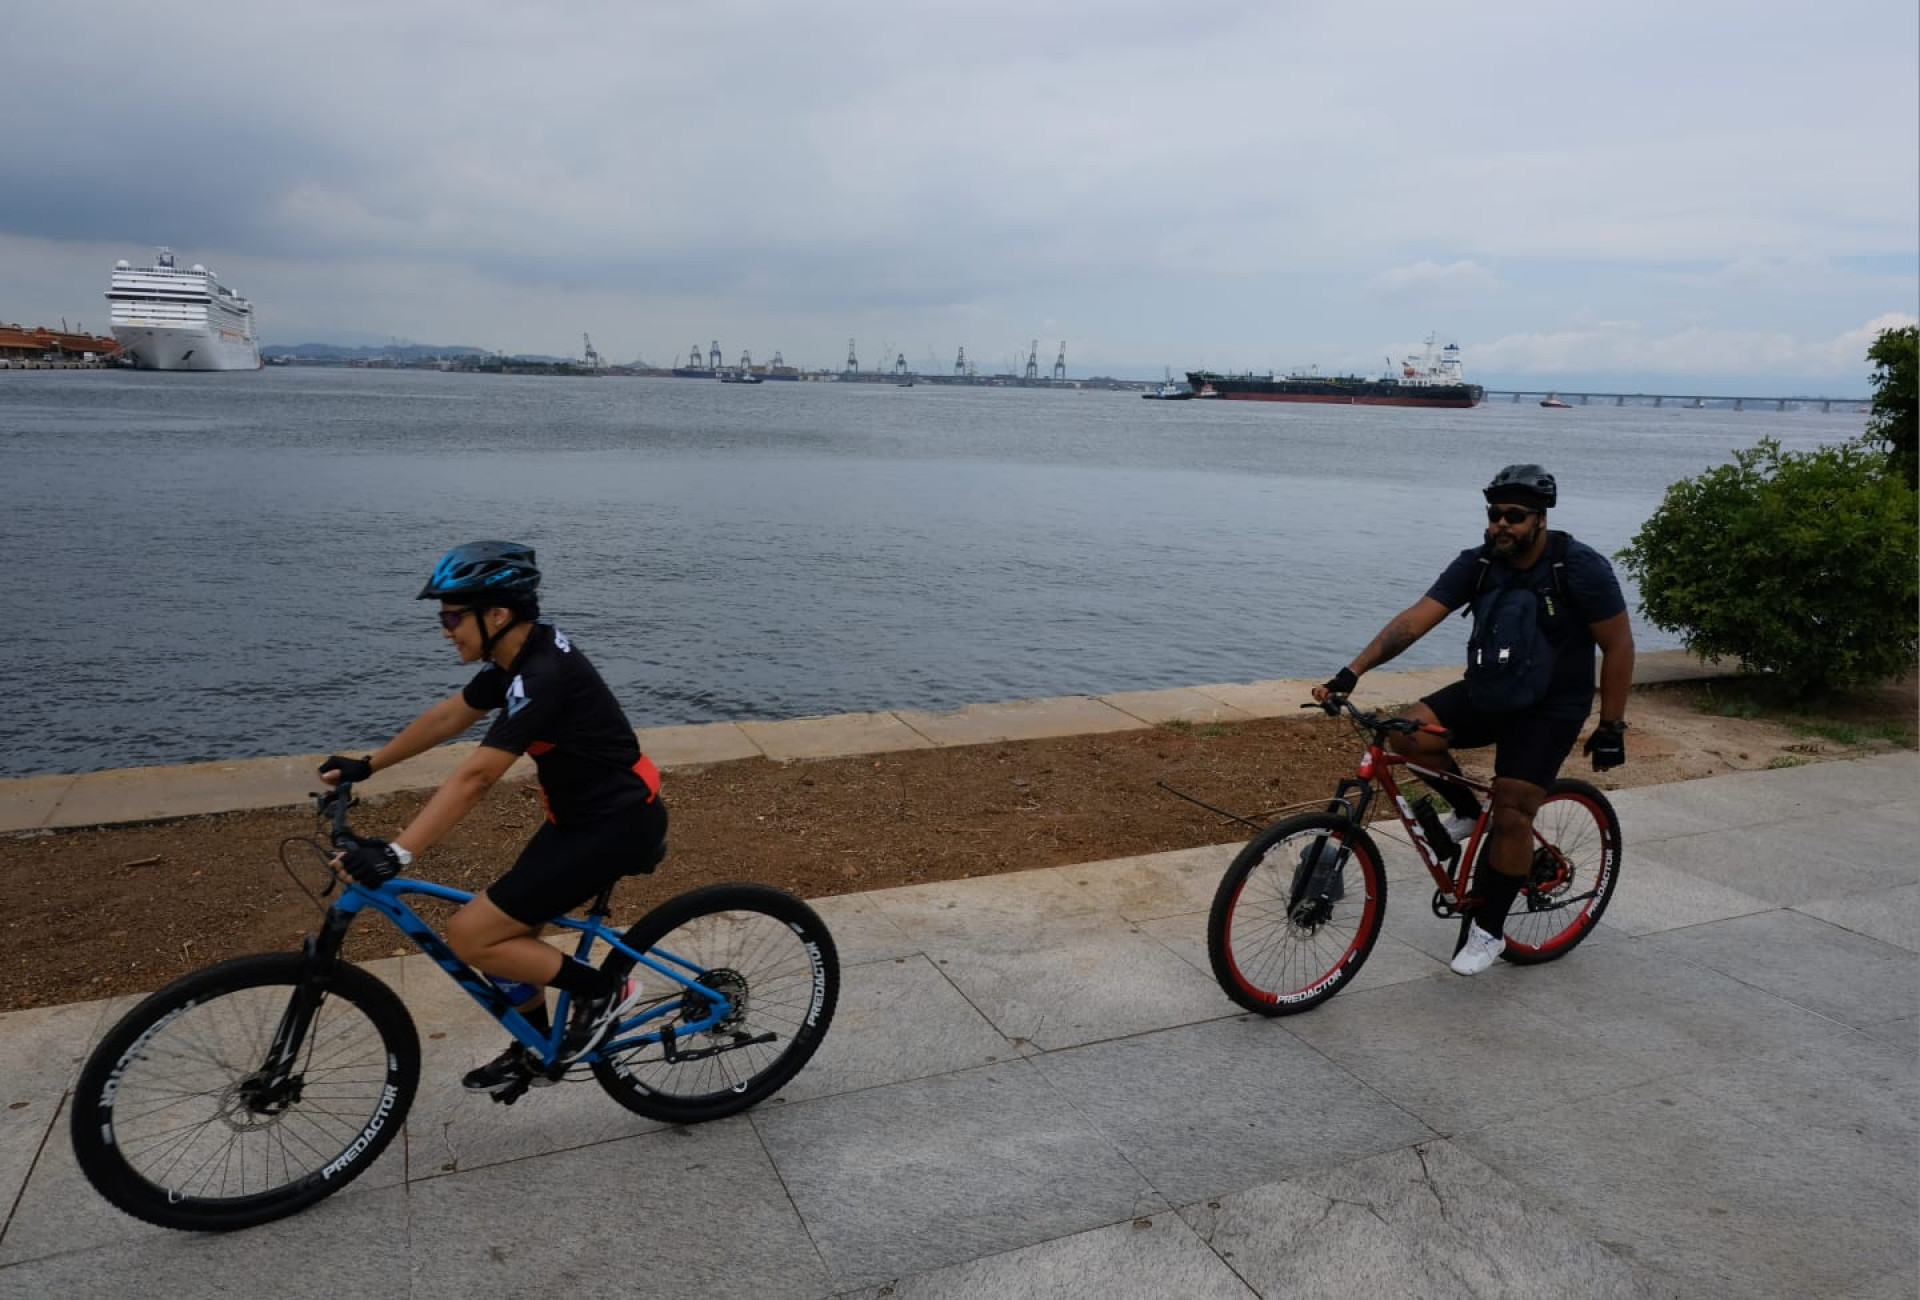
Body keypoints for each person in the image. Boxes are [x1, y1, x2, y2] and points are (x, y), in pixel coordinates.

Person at [319, 540, 667, 1093]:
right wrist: (367, 765)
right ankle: (535, 1047)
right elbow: (448, 717)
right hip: (580, 821)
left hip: (617, 825)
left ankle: (601, 990)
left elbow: (477, 777)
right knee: (508, 934)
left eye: (453, 616)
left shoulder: (543, 674)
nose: (445, 629)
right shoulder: (517, 656)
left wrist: (397, 853)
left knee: (472, 934)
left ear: (497, 614)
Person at [1311, 465, 1634, 976]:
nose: (1500, 524)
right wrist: (1351, 672)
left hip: (1551, 706)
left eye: (1514, 516)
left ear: (1540, 520)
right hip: (1490, 690)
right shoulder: (1479, 564)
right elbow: (1413, 621)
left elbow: (1617, 645)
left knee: (1511, 810)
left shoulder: (1578, 567)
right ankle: (1464, 810)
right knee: (1404, 733)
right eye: (1493, 514)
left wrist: (1612, 725)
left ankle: (1490, 931)